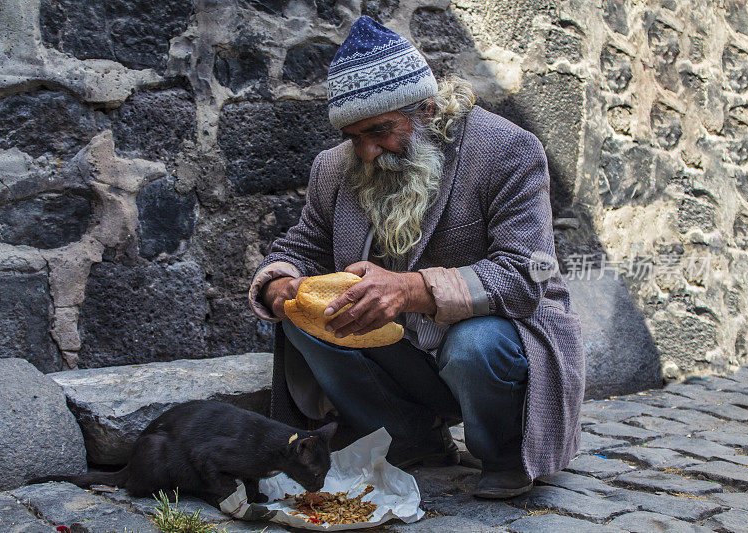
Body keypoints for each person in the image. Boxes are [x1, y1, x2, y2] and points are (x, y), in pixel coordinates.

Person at [248, 15, 584, 498]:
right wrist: (280, 285)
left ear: (427, 109)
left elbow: (527, 274)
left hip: (491, 348)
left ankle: (505, 451)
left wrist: (409, 289)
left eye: (381, 130)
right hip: (402, 356)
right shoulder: (333, 169)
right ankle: (411, 439)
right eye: (354, 137)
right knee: (304, 316)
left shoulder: (507, 150)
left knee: (475, 344)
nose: (367, 152)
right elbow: (301, 247)